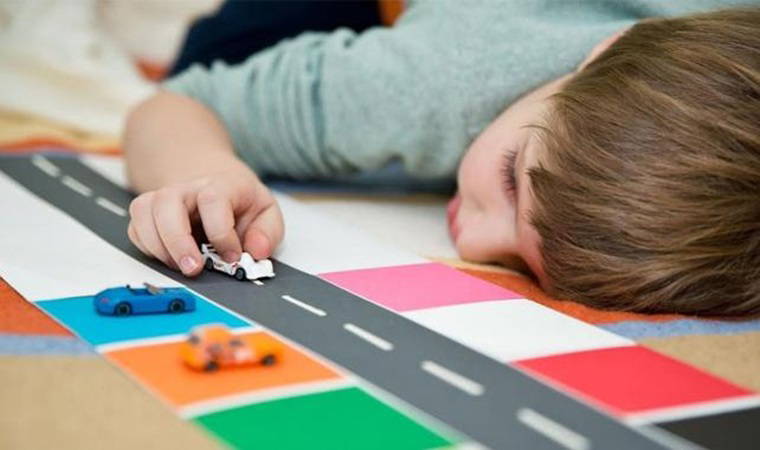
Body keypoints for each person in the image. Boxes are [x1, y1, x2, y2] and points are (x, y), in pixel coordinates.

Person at [123, 1, 760, 316]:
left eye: (521, 265)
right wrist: (208, 175)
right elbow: (175, 104)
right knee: (217, 47)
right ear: (599, 56)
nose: (474, 243)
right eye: (510, 179)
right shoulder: (439, 83)